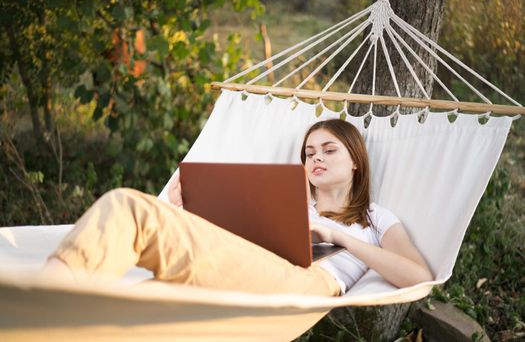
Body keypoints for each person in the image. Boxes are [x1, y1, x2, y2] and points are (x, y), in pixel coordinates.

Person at [42, 119, 433, 296]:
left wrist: (339, 237)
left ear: (356, 161)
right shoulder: (285, 199)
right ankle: (51, 299)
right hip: (253, 264)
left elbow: (418, 276)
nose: (316, 158)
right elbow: (236, 246)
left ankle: (42, 299)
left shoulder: (375, 217)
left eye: (329, 149)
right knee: (130, 207)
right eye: (309, 152)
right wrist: (184, 215)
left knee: (129, 206)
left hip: (310, 282)